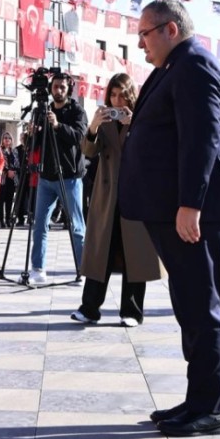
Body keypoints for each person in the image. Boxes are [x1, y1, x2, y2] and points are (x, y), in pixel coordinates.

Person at [119, 0, 220, 438]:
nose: (140, 45)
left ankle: (210, 407)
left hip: (197, 212)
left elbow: (201, 139)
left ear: (170, 29)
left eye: (144, 34)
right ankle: (198, 400)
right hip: (177, 209)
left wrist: (190, 203)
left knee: (201, 307)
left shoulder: (194, 66)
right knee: (190, 306)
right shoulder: (175, 67)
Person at [72, 74, 162, 327]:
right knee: (101, 252)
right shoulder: (105, 121)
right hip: (107, 195)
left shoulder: (143, 118)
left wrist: (137, 126)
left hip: (136, 195)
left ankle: (132, 312)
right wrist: (93, 127)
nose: (117, 99)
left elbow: (155, 150)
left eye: (122, 94)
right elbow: (88, 151)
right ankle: (89, 308)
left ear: (131, 95)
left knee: (135, 253)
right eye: (113, 94)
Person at [28, 73, 89, 286]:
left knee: (77, 226)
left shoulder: (77, 111)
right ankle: (38, 268)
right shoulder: (43, 111)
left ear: (68, 89)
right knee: (39, 224)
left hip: (70, 176)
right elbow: (35, 146)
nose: (58, 90)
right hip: (47, 176)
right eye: (55, 86)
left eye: (62, 87)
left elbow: (80, 137)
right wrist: (32, 134)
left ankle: (83, 270)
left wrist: (57, 126)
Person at [0, 132, 20, 227]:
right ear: (2, 140)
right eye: (5, 138)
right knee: (1, 200)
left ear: (11, 140)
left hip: (12, 178)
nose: (7, 139)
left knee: (10, 200)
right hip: (3, 178)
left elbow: (18, 163)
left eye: (9, 138)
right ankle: (1, 220)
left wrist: (13, 171)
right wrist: (7, 170)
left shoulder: (14, 151)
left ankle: (8, 219)